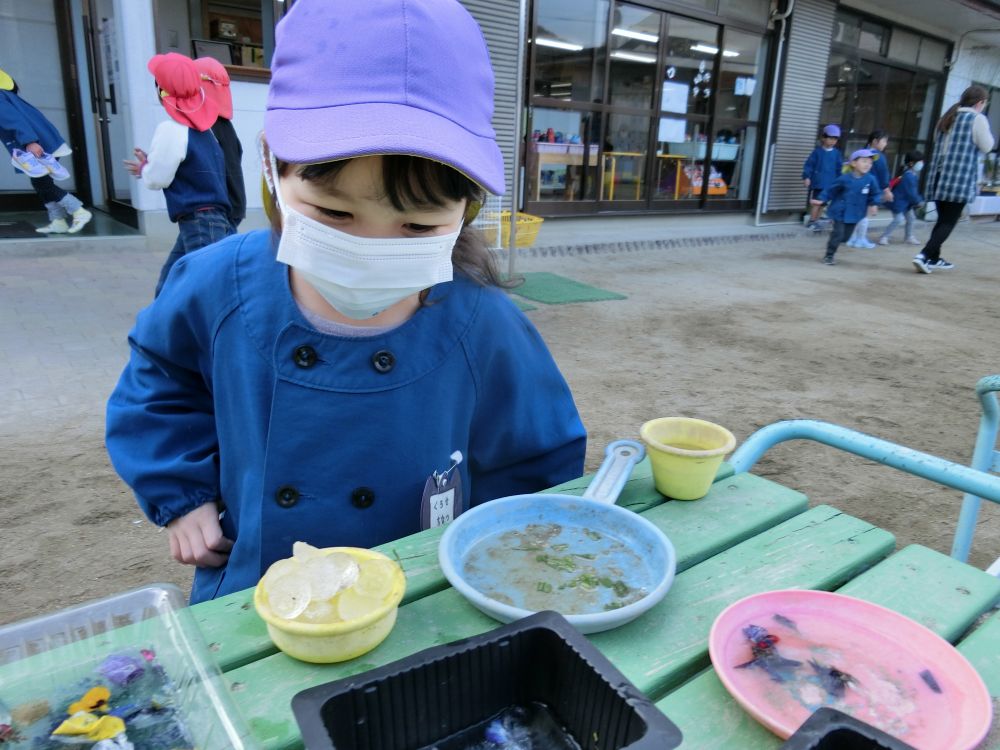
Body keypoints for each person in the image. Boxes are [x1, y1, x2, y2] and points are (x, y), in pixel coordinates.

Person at [105, 0, 587, 604]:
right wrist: (182, 494)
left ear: (466, 210)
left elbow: (538, 459)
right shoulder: (212, 284)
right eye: (333, 213)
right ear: (271, 167)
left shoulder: (483, 321)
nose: (369, 247)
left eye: (416, 227)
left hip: (418, 601)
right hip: (252, 594)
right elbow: (158, 384)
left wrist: (495, 559)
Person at [123, 53, 232, 296]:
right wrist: (149, 167)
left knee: (204, 294)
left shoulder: (172, 129)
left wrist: (146, 169)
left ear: (162, 91)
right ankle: (160, 332)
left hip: (198, 222)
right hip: (211, 221)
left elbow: (157, 178)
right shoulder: (205, 131)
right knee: (169, 287)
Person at [913, 85, 995, 274]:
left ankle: (933, 257)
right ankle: (924, 255)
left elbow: (936, 141)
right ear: (980, 102)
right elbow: (987, 146)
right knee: (949, 221)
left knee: (943, 219)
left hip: (938, 177)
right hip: (958, 178)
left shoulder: (947, 117)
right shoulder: (977, 119)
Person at [0, 67, 92, 234]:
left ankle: (78, 210)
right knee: (40, 183)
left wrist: (29, 142)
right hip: (44, 141)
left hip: (36, 145)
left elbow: (15, 122)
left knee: (43, 184)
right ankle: (58, 221)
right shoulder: (9, 97)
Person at [194, 56, 246, 233]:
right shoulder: (225, 127)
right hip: (233, 204)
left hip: (219, 210)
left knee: (213, 259)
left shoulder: (206, 127)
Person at [812, 148, 882, 265]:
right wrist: (821, 199)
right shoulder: (844, 179)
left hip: (856, 213)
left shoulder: (871, 179)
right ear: (854, 163)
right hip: (840, 211)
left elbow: (875, 193)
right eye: (864, 161)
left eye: (870, 162)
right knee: (838, 234)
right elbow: (830, 190)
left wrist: (874, 204)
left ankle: (836, 239)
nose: (868, 165)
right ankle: (829, 255)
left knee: (845, 237)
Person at [847, 130, 892, 249]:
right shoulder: (877, 156)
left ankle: (852, 238)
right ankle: (860, 239)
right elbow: (883, 174)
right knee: (864, 215)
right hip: (869, 189)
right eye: (884, 141)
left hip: (857, 186)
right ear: (875, 141)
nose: (885, 144)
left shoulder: (861, 153)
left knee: (856, 214)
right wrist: (886, 190)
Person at [802, 124, 844, 232]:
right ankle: (812, 220)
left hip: (831, 183)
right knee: (816, 202)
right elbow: (809, 165)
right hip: (819, 182)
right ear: (823, 138)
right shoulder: (817, 152)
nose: (833, 141)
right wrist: (806, 177)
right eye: (830, 138)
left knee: (823, 204)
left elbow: (840, 168)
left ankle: (817, 221)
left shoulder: (837, 154)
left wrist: (841, 181)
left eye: (835, 139)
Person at [877, 150, 924, 246]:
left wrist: (917, 200)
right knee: (898, 219)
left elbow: (912, 193)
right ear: (911, 163)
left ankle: (909, 237)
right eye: (919, 162)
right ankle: (884, 237)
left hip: (905, 203)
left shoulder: (908, 174)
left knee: (911, 218)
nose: (921, 164)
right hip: (899, 203)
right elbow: (911, 194)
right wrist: (919, 201)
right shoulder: (909, 176)